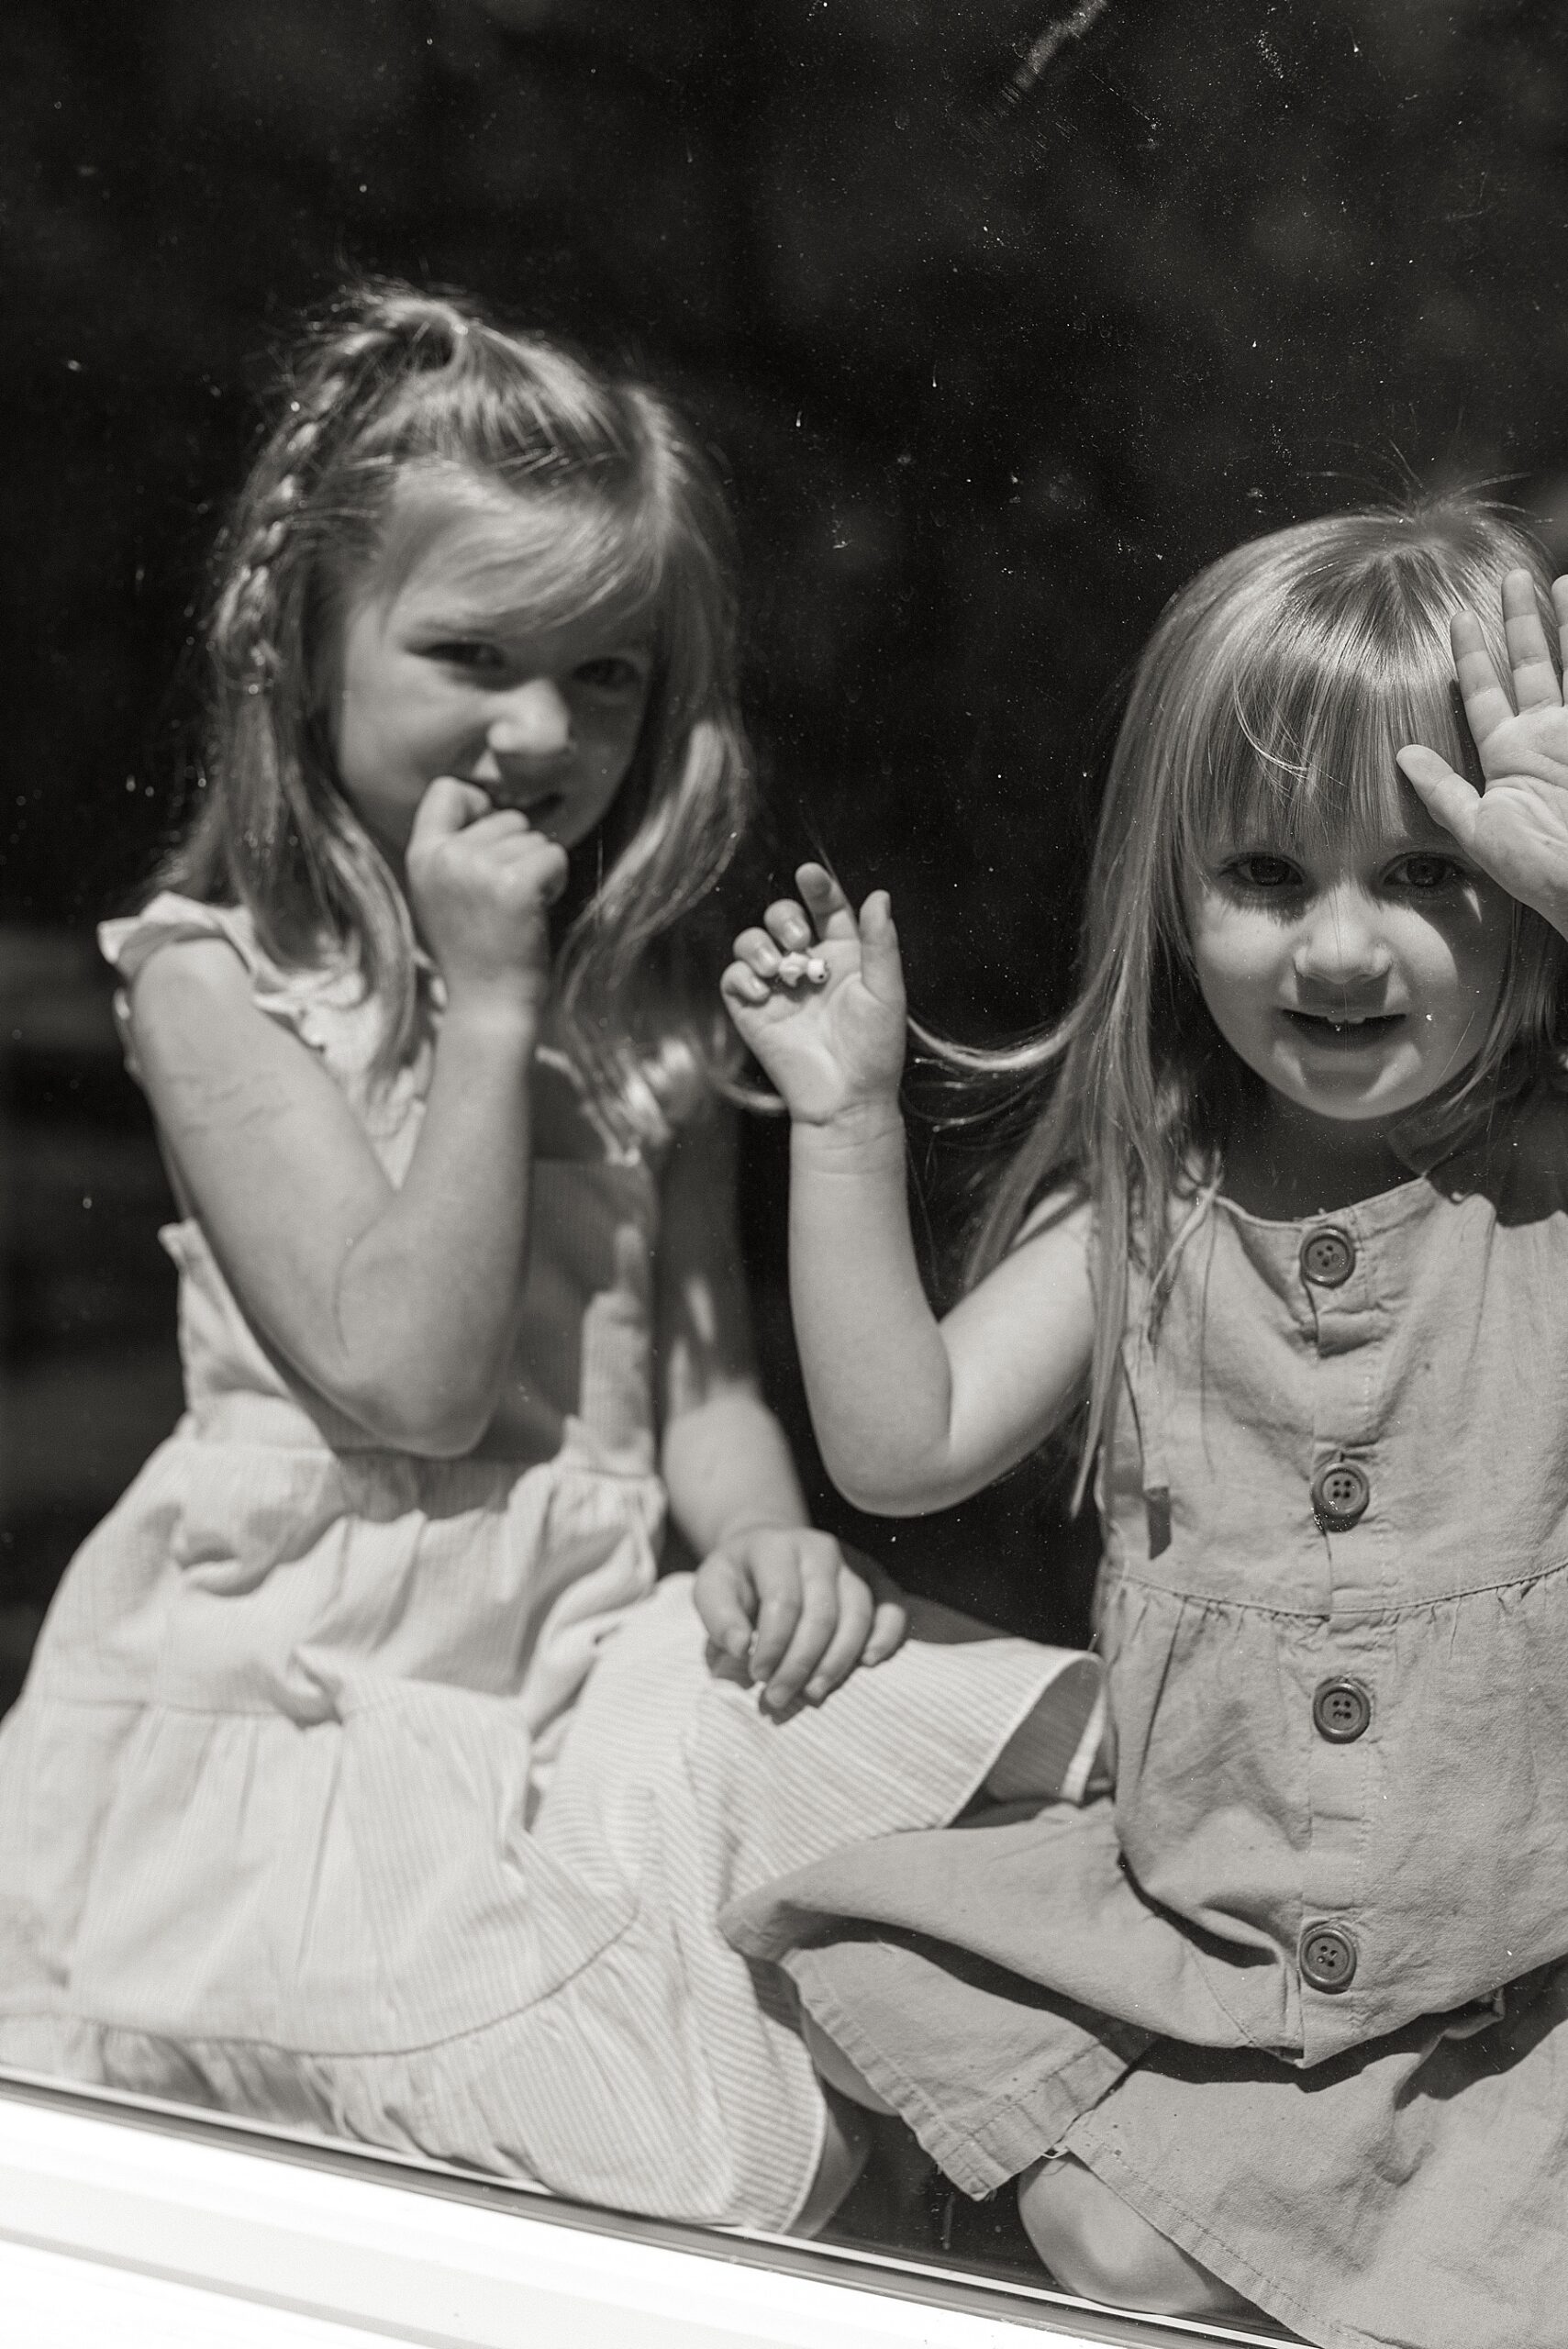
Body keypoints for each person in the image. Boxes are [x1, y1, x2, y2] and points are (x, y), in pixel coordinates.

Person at [0, 283, 1096, 2233]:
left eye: (605, 674)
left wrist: (761, 1526)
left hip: (585, 1644)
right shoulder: (217, 988)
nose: (543, 730)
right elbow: (405, 1377)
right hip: (320, 1690)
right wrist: (488, 1011)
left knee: (971, 1769)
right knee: (619, 2141)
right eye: (473, 655)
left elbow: (700, 1384)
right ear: (307, 654)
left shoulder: (643, 1008)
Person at [720, 499, 1568, 2343]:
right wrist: (845, 1121)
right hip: (1203, 1979)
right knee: (1121, 2234)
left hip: (1525, 2002)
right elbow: (902, 1441)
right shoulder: (1154, 1203)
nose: (1340, 942)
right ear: (1172, 897)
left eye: (1429, 871)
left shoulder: (1551, 1192)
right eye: (1267, 872)